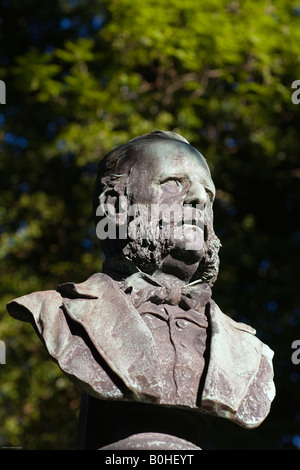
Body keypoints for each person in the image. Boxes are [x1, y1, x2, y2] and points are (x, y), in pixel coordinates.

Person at [7, 130, 275, 450]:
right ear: (115, 206)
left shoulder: (252, 349)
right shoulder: (56, 309)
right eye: (174, 182)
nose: (200, 200)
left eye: (209, 194)